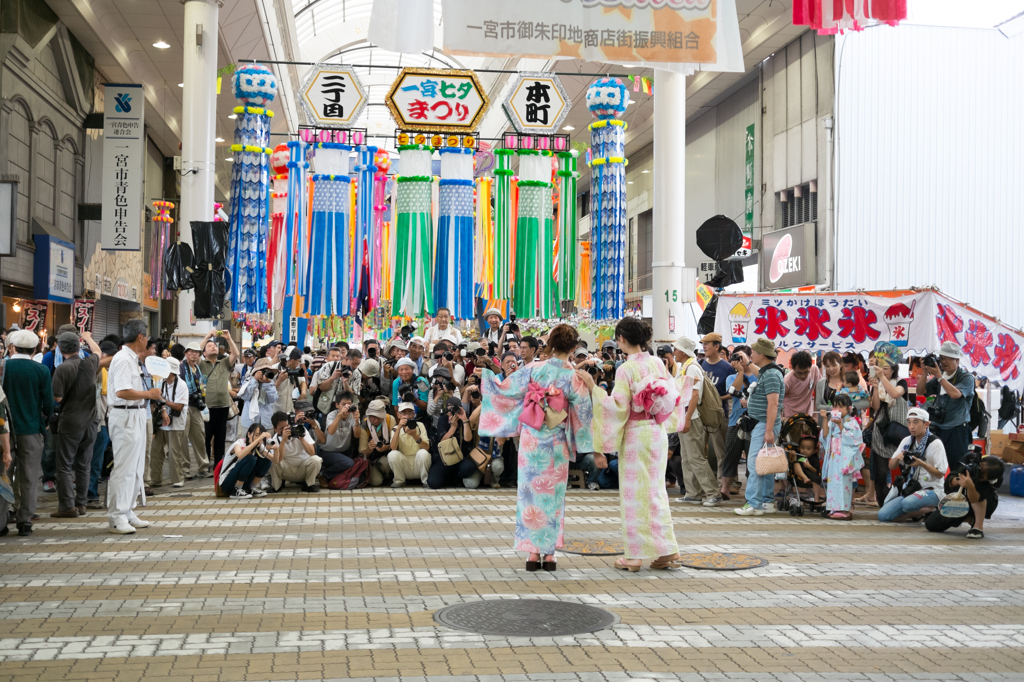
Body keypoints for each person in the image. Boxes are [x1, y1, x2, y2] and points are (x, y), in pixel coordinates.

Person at [480, 323, 592, 572]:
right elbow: (583, 414)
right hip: (557, 442)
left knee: (529, 495)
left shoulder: (533, 368)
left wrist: (488, 378)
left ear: (549, 343)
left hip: (532, 441)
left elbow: (507, 391)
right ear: (574, 348)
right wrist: (589, 446)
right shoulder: (574, 377)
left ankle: (532, 553)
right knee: (553, 498)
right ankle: (549, 555)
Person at [582, 317, 687, 571]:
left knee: (633, 495)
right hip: (657, 431)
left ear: (622, 339)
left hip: (636, 433)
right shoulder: (657, 363)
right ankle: (667, 550)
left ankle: (634, 555)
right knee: (655, 492)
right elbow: (671, 395)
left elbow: (617, 406)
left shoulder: (625, 368)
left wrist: (593, 388)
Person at [107, 320, 162, 534]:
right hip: (125, 414)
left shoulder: (132, 359)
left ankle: (128, 510)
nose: (148, 340)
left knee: (137, 467)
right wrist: (149, 394)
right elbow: (122, 391)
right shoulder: (122, 359)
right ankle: (117, 515)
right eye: (146, 336)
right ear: (140, 336)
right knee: (125, 468)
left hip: (136, 413)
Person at [1, 329, 53, 536]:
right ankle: (25, 522)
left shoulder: (3, 367)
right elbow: (49, 404)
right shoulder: (40, 371)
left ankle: (2, 521)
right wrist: (45, 417)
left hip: (3, 431)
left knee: (3, 476)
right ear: (35, 349)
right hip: (31, 430)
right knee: (29, 477)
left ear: (11, 347)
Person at [50, 331, 102, 518]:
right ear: (79, 347)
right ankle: (82, 504)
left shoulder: (62, 369)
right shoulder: (89, 363)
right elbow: (97, 351)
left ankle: (67, 506)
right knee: (84, 464)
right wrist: (87, 337)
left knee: (64, 465)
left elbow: (57, 397)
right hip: (91, 421)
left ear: (60, 348)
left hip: (71, 422)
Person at [735, 338, 786, 517]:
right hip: (765, 423)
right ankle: (766, 501)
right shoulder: (769, 371)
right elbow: (760, 374)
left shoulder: (771, 374)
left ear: (762, 354)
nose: (752, 355)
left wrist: (769, 430)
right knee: (764, 463)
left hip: (764, 424)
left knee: (755, 463)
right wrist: (748, 362)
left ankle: (753, 504)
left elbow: (773, 405)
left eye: (753, 353)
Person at [877, 407, 949, 523]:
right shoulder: (907, 441)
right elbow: (891, 466)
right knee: (883, 515)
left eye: (916, 422)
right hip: (911, 488)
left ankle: (934, 508)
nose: (911, 426)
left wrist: (922, 464)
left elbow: (940, 474)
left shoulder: (935, 443)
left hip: (933, 489)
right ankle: (916, 515)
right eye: (909, 422)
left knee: (907, 503)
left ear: (926, 424)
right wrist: (897, 458)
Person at [672, 336, 721, 506]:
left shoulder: (691, 368)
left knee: (696, 457)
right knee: (687, 457)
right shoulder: (685, 367)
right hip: (685, 417)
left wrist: (686, 419)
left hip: (690, 418)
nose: (674, 352)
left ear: (684, 351)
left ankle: (713, 492)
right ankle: (693, 493)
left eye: (676, 349)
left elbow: (694, 396)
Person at [916, 341, 976, 470]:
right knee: (935, 465)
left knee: (959, 467)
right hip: (939, 428)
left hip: (957, 429)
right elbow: (920, 392)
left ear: (957, 360)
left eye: (948, 358)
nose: (944, 362)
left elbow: (955, 394)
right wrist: (925, 372)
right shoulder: (940, 377)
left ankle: (962, 490)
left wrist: (938, 376)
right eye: (942, 358)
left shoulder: (966, 377)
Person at [865, 343, 909, 506]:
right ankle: (882, 504)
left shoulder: (901, 382)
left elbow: (896, 394)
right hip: (880, 432)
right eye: (880, 367)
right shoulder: (877, 382)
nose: (883, 370)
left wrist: (882, 378)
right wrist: (876, 387)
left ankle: (904, 499)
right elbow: (876, 407)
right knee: (881, 472)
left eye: (886, 368)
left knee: (906, 467)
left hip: (899, 431)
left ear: (893, 368)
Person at [925, 455, 1004, 539]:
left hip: (985, 503)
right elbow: (948, 483)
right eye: (979, 469)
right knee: (931, 525)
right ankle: (969, 518)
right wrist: (960, 480)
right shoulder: (969, 459)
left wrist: (971, 486)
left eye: (982, 476)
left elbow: (976, 499)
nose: (978, 473)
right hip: (961, 498)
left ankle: (978, 527)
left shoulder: (996, 480)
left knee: (980, 493)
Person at [817, 394, 864, 520]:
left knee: (844, 483)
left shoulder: (852, 422)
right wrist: (825, 419)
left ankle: (846, 510)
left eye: (840, 406)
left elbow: (853, 439)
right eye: (835, 406)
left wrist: (840, 425)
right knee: (834, 483)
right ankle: (835, 507)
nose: (837, 409)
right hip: (834, 457)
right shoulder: (833, 421)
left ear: (848, 408)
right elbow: (825, 436)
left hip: (844, 458)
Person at [720, 349, 757, 500]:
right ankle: (725, 489)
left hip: (754, 421)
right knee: (730, 455)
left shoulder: (757, 375)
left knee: (751, 457)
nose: (739, 360)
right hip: (735, 421)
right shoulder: (731, 377)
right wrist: (740, 372)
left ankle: (751, 490)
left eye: (742, 357)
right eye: (736, 357)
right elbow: (732, 390)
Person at [87, 339, 120, 509]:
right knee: (95, 460)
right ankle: (90, 494)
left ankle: (92, 492)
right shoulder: (98, 369)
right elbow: (99, 362)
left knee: (102, 459)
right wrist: (88, 338)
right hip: (99, 421)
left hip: (111, 419)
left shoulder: (113, 369)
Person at [200, 330, 238, 466]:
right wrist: (207, 337)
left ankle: (219, 465)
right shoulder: (201, 364)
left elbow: (236, 354)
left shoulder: (224, 363)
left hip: (223, 406)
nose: (213, 347)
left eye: (214, 346)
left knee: (220, 438)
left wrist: (228, 338)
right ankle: (204, 465)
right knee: (206, 437)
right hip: (207, 408)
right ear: (204, 353)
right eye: (209, 346)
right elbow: (195, 353)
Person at [150, 357, 189, 488]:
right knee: (156, 450)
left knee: (174, 453)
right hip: (162, 421)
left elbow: (179, 407)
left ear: (171, 372)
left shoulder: (182, 385)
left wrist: (162, 400)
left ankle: (178, 478)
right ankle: (155, 479)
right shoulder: (161, 382)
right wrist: (162, 409)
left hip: (176, 423)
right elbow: (157, 400)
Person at [426, 396, 481, 489]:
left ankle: (455, 477)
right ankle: (450, 478)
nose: (453, 413)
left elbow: (468, 439)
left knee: (469, 467)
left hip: (460, 457)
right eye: (450, 410)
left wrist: (464, 420)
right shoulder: (443, 419)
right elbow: (442, 441)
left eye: (456, 409)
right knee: (433, 483)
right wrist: (453, 427)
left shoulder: (465, 418)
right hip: (444, 458)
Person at [700, 332, 733, 473]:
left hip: (719, 414)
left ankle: (723, 484)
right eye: (703, 344)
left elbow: (732, 392)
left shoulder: (727, 367)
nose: (704, 347)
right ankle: (707, 484)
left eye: (707, 344)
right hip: (702, 414)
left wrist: (716, 399)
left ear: (716, 347)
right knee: (700, 451)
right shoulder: (701, 364)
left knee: (721, 452)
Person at [179, 342, 211, 479]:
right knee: (183, 438)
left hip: (196, 407)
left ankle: (203, 467)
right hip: (184, 407)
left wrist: (202, 397)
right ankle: (184, 468)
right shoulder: (181, 368)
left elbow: (203, 387)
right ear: (185, 353)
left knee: (199, 436)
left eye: (197, 352)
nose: (194, 354)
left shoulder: (197, 368)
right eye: (191, 351)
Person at [268, 411, 322, 492]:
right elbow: (278, 459)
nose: (286, 430)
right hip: (286, 471)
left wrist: (301, 439)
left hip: (303, 468)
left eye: (287, 426)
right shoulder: (274, 439)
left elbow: (312, 453)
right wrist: (283, 441)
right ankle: (277, 486)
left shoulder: (300, 429)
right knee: (273, 461)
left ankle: (309, 484)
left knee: (316, 460)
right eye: (282, 429)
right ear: (275, 429)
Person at [220, 423, 273, 499]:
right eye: (256, 435)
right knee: (250, 459)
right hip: (227, 483)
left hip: (243, 482)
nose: (259, 438)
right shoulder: (239, 443)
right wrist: (258, 439)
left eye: (261, 436)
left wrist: (276, 448)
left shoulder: (259, 445)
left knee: (266, 459)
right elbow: (240, 455)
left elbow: (275, 460)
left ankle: (251, 488)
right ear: (248, 434)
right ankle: (236, 490)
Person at [387, 402, 432, 488]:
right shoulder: (395, 428)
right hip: (405, 464)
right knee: (392, 454)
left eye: (410, 413)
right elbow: (393, 448)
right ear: (398, 415)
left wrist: (414, 435)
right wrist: (399, 428)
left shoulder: (420, 426)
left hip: (418, 462)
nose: (407, 416)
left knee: (423, 453)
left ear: (414, 414)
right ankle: (399, 480)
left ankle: (425, 480)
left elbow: (426, 448)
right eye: (404, 413)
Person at [319, 391, 362, 482]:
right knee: (348, 463)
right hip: (329, 452)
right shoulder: (332, 415)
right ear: (337, 405)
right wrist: (339, 415)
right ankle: (324, 474)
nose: (347, 407)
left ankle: (333, 477)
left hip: (344, 451)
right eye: (343, 404)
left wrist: (357, 421)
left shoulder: (352, 415)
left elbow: (357, 435)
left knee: (355, 466)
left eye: (349, 404)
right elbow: (331, 431)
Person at [358, 399, 396, 487]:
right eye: (373, 416)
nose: (375, 419)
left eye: (379, 417)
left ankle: (389, 478)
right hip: (371, 459)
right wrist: (369, 449)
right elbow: (362, 454)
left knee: (386, 462)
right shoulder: (364, 425)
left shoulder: (390, 419)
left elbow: (396, 444)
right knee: (376, 482)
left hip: (386, 456)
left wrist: (385, 447)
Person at [239, 358, 279, 430]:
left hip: (266, 422)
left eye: (268, 371)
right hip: (249, 422)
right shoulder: (248, 381)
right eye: (263, 371)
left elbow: (273, 399)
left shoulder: (270, 383)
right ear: (256, 371)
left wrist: (267, 384)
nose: (265, 373)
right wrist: (255, 380)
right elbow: (245, 396)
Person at [783, 350, 821, 420]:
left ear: (810, 367)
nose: (803, 376)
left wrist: (815, 414)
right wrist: (782, 418)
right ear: (793, 368)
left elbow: (818, 393)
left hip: (807, 416)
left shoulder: (814, 370)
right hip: (790, 417)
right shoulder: (787, 380)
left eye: (806, 372)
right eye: (799, 373)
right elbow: (778, 400)